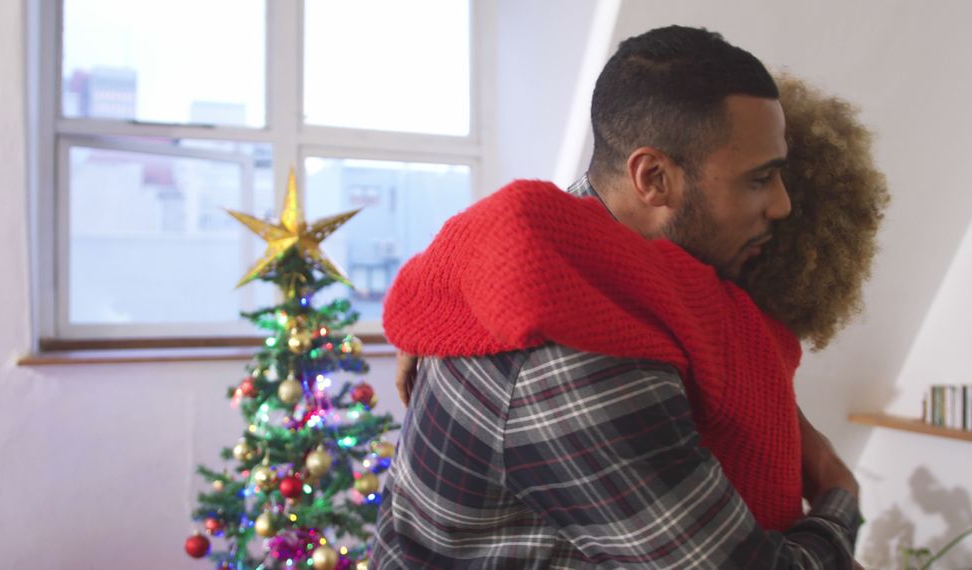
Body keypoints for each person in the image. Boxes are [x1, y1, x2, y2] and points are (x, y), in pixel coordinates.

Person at [372, 26, 880, 569]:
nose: (782, 206)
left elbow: (502, 228)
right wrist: (838, 495)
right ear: (653, 177)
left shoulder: (563, 242)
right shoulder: (581, 354)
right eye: (759, 180)